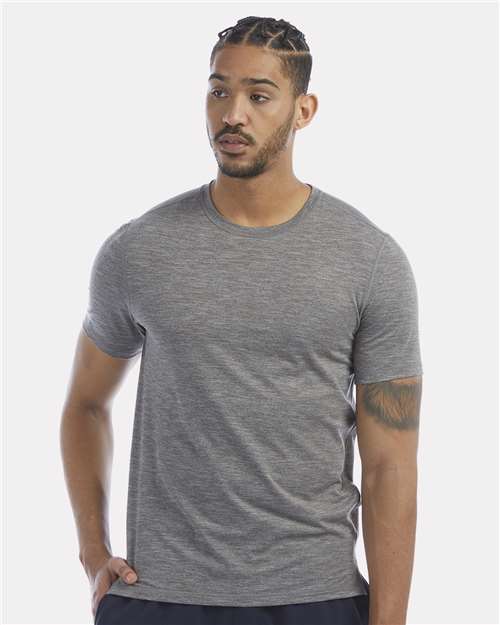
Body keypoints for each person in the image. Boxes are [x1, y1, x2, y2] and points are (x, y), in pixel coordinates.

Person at [60, 15, 423, 625]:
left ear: (303, 110)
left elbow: (390, 463)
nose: (232, 115)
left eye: (258, 96)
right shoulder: (139, 250)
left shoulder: (370, 260)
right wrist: (93, 554)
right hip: (159, 595)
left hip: (316, 597)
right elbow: (85, 405)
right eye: (218, 91)